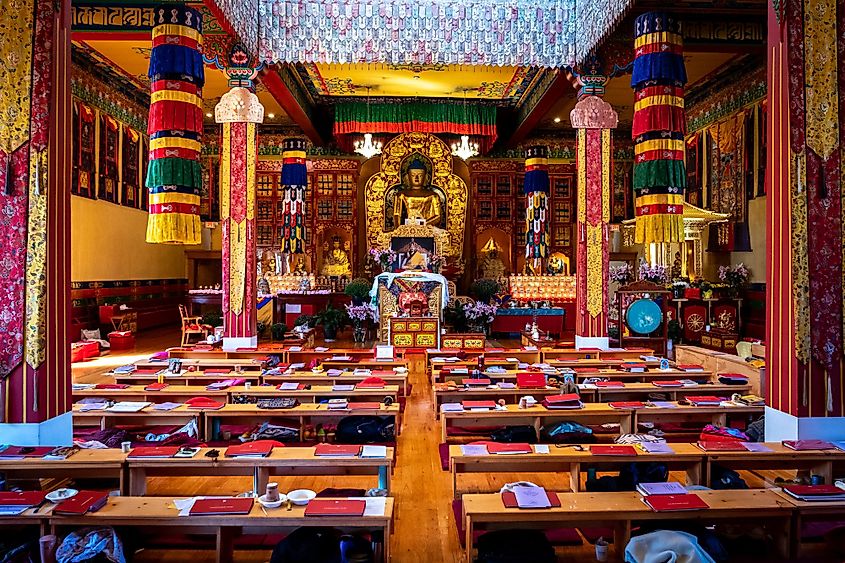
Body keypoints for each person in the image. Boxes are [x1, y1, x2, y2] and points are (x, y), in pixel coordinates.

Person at [392, 158, 443, 228]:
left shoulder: (433, 195)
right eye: (413, 175)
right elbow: (397, 215)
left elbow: (438, 217)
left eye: (420, 175)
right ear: (407, 177)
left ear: (425, 177)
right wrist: (399, 230)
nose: (416, 178)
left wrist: (422, 225)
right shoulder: (401, 195)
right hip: (406, 230)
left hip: (427, 230)